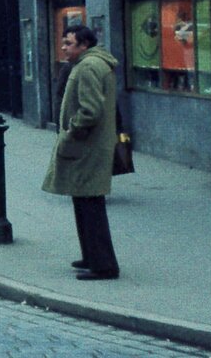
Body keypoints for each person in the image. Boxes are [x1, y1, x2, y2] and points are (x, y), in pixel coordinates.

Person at [41, 24, 121, 281]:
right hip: (89, 146)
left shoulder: (87, 67)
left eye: (69, 44)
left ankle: (103, 265)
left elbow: (91, 110)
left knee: (90, 205)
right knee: (85, 202)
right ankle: (92, 256)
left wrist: (72, 131)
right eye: (63, 43)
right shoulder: (93, 64)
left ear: (84, 45)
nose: (64, 48)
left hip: (87, 147)